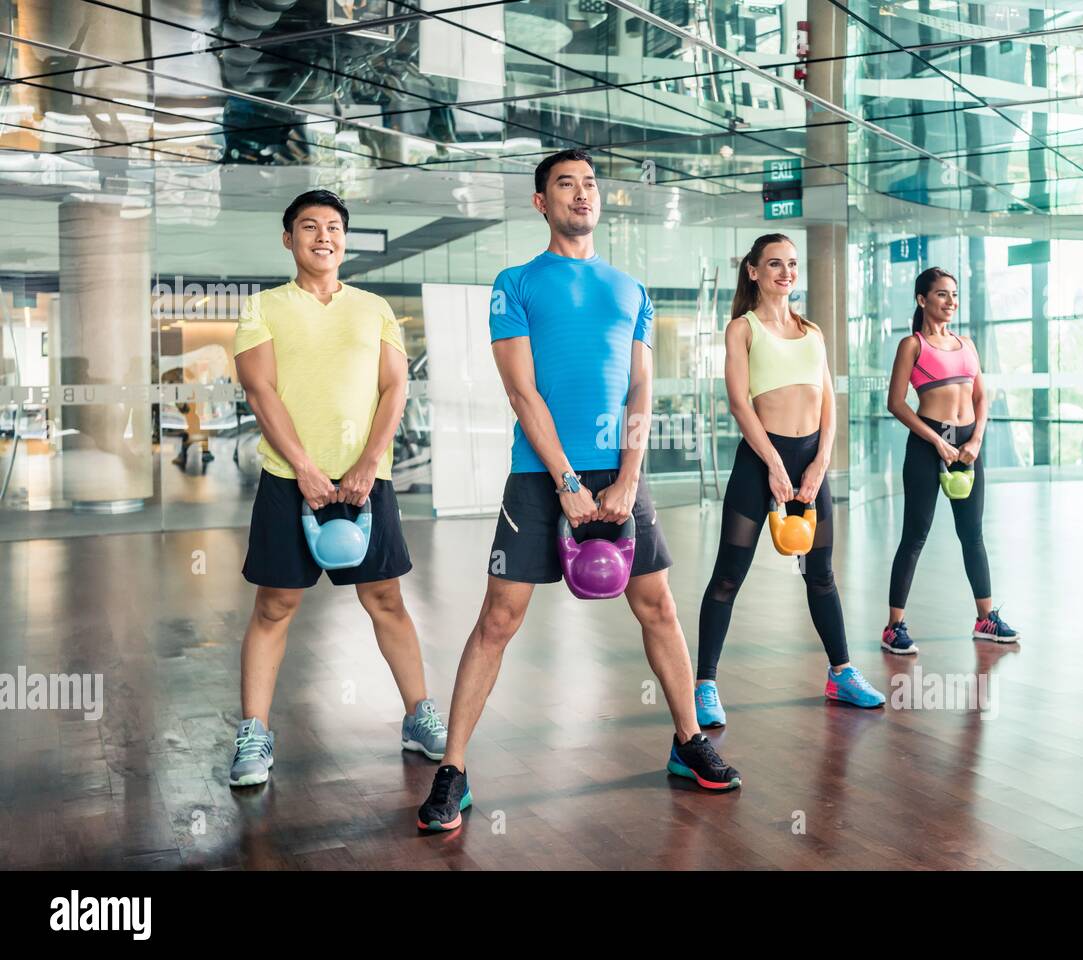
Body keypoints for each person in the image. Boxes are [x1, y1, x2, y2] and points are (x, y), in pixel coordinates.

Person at [417, 149, 741, 833]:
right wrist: (566, 478)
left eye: (590, 184)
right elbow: (521, 389)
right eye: (566, 184)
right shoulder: (515, 283)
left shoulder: (631, 289)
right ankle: (453, 769)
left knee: (658, 607)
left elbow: (641, 387)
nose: (582, 193)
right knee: (499, 619)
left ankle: (689, 742)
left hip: (619, 471)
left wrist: (627, 475)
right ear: (542, 202)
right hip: (541, 473)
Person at [228, 189, 447, 787]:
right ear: (288, 239)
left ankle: (418, 715)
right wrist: (302, 465)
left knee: (386, 601)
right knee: (275, 606)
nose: (322, 236)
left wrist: (369, 462)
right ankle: (253, 732)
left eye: (332, 227)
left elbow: (394, 388)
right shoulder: (264, 308)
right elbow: (261, 391)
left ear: (344, 239)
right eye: (308, 227)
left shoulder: (374, 308)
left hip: (364, 485)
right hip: (286, 481)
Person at [693, 234, 886, 728]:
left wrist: (821, 463)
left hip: (810, 464)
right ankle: (705, 685)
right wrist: (776, 467)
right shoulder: (742, 329)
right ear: (753, 271)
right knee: (728, 577)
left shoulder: (813, 331)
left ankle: (841, 674)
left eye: (793, 264)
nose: (786, 272)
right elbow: (739, 403)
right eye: (775, 264)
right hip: (761, 462)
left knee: (820, 573)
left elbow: (828, 402)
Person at [881, 266, 1020, 655]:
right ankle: (894, 626)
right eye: (941, 294)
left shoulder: (968, 343)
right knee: (915, 535)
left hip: (967, 446)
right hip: (929, 443)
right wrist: (935, 441)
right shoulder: (912, 346)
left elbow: (981, 398)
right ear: (922, 299)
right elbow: (895, 403)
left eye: (953, 294)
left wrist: (976, 439)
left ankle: (985, 618)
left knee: (972, 534)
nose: (950, 301)